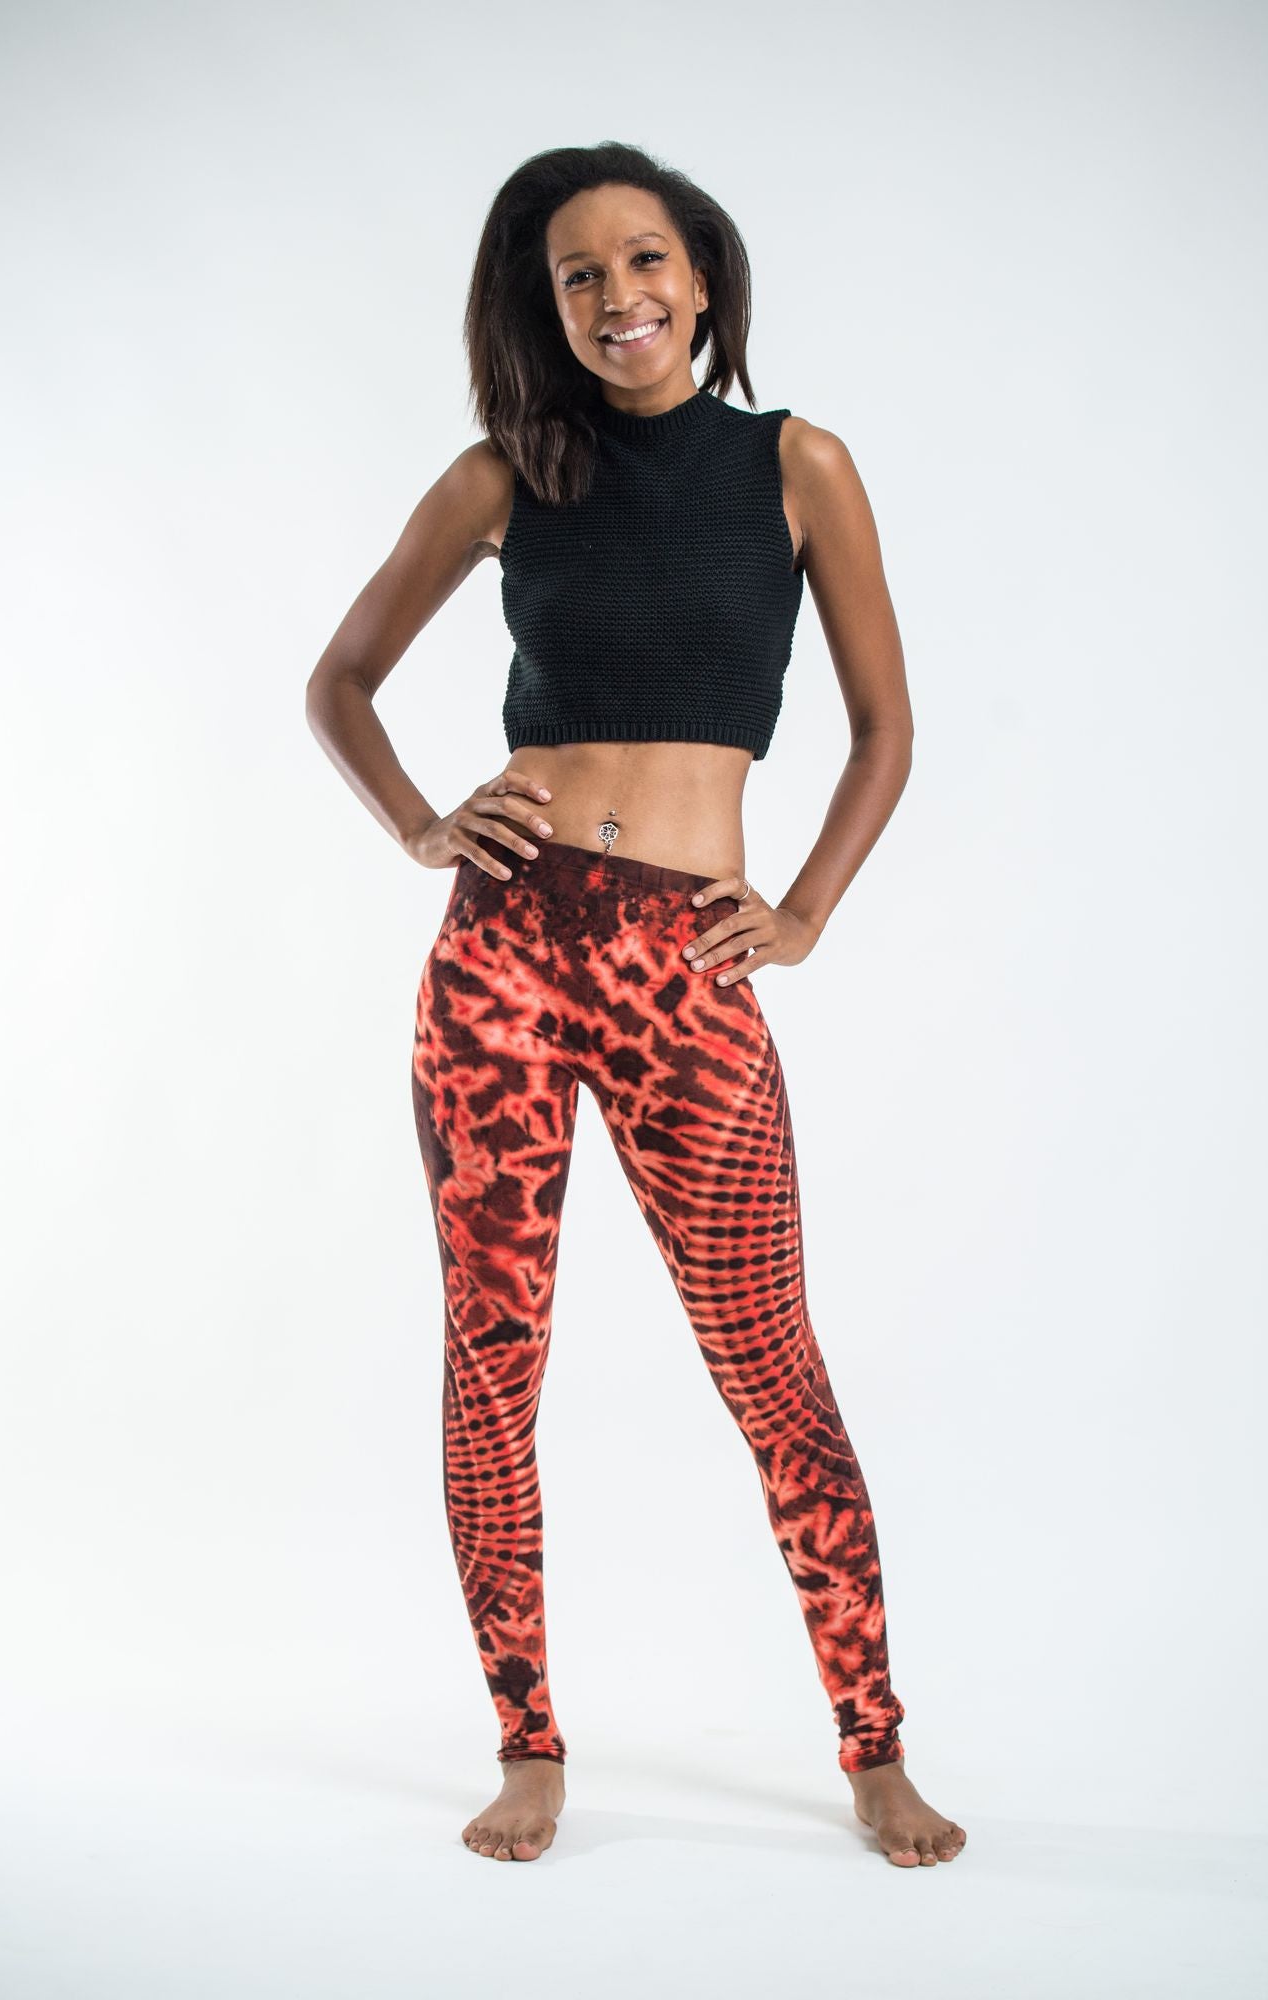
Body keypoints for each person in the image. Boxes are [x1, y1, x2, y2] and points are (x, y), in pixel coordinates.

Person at [305, 141, 966, 1871]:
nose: (620, 298)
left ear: (704, 272)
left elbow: (888, 729)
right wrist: (422, 825)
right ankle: (527, 1742)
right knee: (493, 1361)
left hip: (689, 973)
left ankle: (875, 1748)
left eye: (646, 259)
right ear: (544, 307)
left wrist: (803, 911)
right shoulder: (504, 475)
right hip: (503, 964)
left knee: (774, 1370)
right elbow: (342, 680)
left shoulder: (796, 466)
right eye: (579, 275)